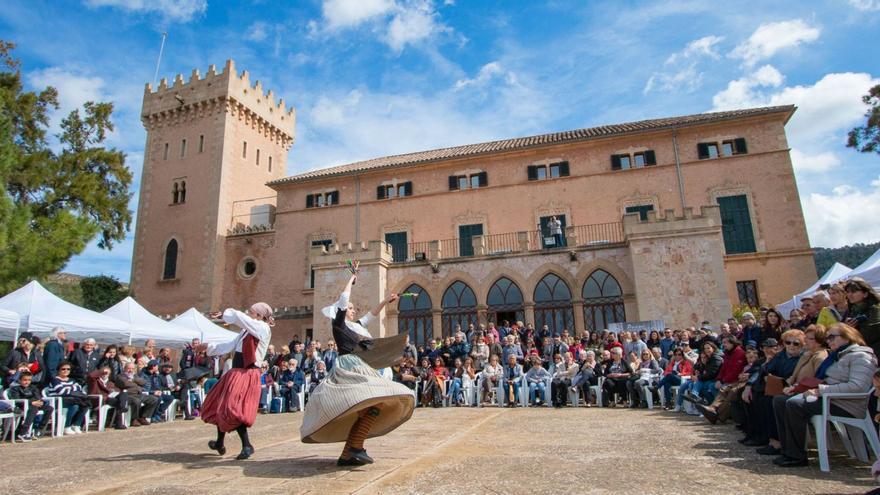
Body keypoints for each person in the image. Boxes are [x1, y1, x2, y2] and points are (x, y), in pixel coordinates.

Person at [300, 272, 415, 467]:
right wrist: (350, 280)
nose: (352, 310)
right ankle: (355, 448)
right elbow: (344, 300)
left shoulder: (354, 327)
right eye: (350, 308)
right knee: (371, 405)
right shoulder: (339, 325)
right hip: (348, 369)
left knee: (368, 407)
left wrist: (386, 301)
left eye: (352, 308)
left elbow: (372, 315)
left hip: (358, 367)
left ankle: (348, 454)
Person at [773, 323, 877, 467]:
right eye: (828, 338)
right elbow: (824, 379)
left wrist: (820, 390)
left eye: (832, 337)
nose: (828, 341)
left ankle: (796, 456)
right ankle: (787, 450)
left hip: (847, 403)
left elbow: (857, 386)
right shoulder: (838, 355)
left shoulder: (861, 356)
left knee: (794, 405)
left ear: (847, 337)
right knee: (779, 400)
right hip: (831, 398)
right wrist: (799, 387)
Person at [198, 303, 273, 461]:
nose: (249, 314)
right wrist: (208, 347)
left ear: (259, 316)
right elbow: (229, 345)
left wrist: (227, 314)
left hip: (248, 373)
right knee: (221, 405)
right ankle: (220, 442)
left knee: (233, 408)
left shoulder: (262, 328)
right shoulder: (246, 332)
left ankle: (247, 445)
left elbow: (240, 317)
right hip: (236, 373)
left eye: (252, 312)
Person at [47, 360, 93, 434]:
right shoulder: (55, 380)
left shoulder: (72, 380)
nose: (66, 371)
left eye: (68, 369)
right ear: (59, 370)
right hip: (57, 400)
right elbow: (61, 391)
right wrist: (72, 389)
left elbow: (79, 388)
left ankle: (76, 424)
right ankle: (66, 426)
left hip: (71, 399)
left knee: (85, 404)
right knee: (76, 404)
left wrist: (68, 389)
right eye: (63, 369)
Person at [8, 371, 53, 441]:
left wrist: (40, 402)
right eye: (25, 380)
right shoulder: (15, 389)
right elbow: (17, 400)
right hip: (22, 406)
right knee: (33, 409)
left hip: (35, 404)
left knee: (50, 408)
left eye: (29, 380)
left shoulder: (33, 388)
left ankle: (39, 430)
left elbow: (38, 397)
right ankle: (23, 433)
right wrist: (32, 402)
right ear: (20, 380)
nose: (27, 382)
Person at [88, 365, 134, 429]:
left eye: (107, 373)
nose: (104, 374)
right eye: (103, 373)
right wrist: (101, 371)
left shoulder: (110, 383)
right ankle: (121, 414)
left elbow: (117, 391)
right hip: (99, 400)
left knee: (123, 393)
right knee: (120, 402)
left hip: (110, 399)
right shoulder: (95, 381)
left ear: (109, 375)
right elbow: (91, 376)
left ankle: (122, 408)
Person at [115, 361, 159, 426]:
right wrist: (137, 384)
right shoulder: (120, 376)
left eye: (132, 369)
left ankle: (143, 417)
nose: (131, 370)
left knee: (154, 399)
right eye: (129, 368)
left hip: (138, 394)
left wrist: (133, 380)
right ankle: (134, 419)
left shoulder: (134, 376)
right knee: (136, 401)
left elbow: (144, 382)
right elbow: (125, 384)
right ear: (125, 369)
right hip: (127, 395)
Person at [844, 278, 880, 356]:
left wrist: (852, 330)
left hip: (875, 352)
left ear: (865, 294)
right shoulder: (850, 312)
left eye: (854, 291)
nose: (849, 295)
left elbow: (871, 335)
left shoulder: (875, 309)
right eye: (848, 292)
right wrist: (847, 329)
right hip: (860, 352)